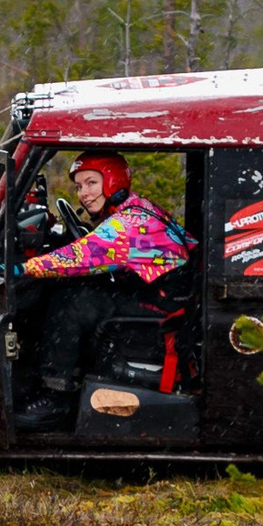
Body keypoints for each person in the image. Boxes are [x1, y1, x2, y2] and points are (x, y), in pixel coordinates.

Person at [13, 150, 191, 432]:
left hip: (162, 308)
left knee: (70, 302)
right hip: (158, 297)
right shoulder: (134, 208)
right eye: (79, 186)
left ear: (112, 180)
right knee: (77, 288)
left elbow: (77, 257)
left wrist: (20, 269)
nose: (84, 193)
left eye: (92, 183)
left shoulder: (129, 223)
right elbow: (91, 249)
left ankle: (56, 397)